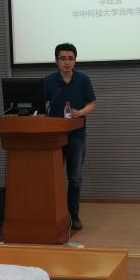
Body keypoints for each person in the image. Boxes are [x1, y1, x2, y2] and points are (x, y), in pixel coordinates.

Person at [44, 43, 96, 231]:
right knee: (54, 177)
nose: (66, 62)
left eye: (70, 58)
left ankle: (73, 215)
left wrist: (79, 112)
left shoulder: (83, 79)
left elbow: (92, 104)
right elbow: (40, 105)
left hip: (76, 135)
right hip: (54, 137)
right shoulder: (49, 81)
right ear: (56, 61)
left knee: (75, 178)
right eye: (63, 58)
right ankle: (54, 215)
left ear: (75, 60)